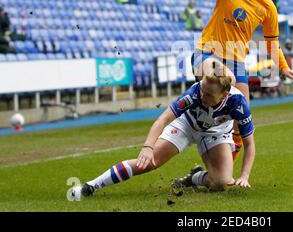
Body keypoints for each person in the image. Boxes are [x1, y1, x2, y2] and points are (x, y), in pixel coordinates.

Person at [184, 0, 293, 161]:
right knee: (212, 102)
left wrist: (284, 68)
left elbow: (273, 44)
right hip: (208, 51)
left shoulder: (268, 8)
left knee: (242, 118)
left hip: (236, 60)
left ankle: (225, 170)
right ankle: (193, 122)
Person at [69, 64, 256, 200]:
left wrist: (245, 176)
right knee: (148, 163)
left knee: (222, 183)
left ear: (224, 95)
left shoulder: (238, 104)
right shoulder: (194, 94)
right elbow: (162, 119)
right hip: (186, 125)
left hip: (216, 133)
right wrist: (148, 147)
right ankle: (91, 186)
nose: (202, 96)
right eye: (202, 90)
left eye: (208, 95)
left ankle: (194, 178)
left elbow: (250, 144)